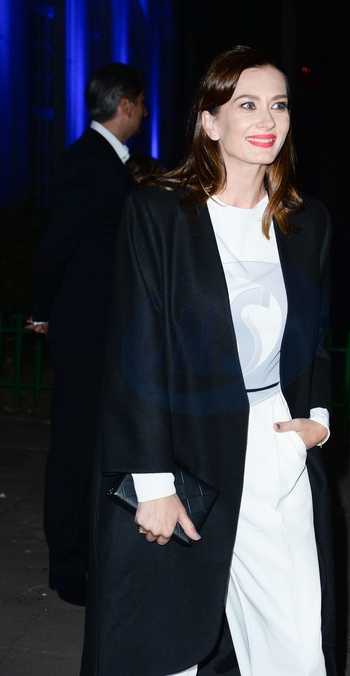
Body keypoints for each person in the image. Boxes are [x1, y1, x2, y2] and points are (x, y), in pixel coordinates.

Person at [81, 45, 336, 675]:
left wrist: (317, 418)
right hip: (183, 446)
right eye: (246, 104)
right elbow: (135, 353)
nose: (266, 119)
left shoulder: (306, 222)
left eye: (278, 105)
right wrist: (152, 481)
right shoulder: (159, 214)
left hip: (273, 443)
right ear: (209, 121)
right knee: (166, 646)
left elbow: (314, 337)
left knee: (296, 645)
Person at [25, 62, 147, 606]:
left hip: (100, 327)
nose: (145, 113)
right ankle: (68, 567)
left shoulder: (109, 162)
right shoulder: (90, 162)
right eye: (141, 104)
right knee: (74, 448)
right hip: (84, 329)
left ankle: (87, 554)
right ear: (125, 105)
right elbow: (58, 242)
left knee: (93, 443)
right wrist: (41, 309)